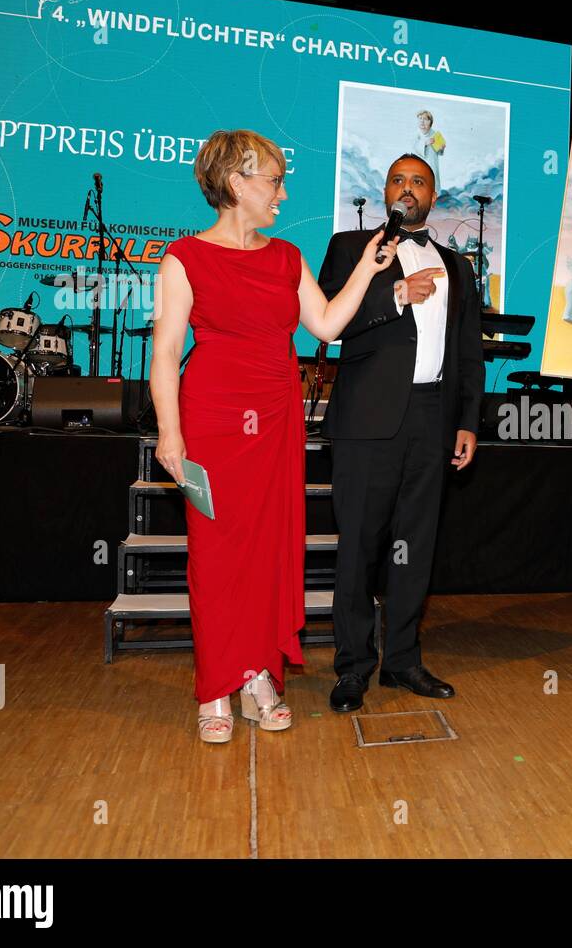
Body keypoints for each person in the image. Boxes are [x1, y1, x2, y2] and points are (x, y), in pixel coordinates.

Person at [151, 129, 397, 743]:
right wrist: (169, 438)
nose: (283, 192)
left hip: (277, 419)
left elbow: (328, 326)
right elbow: (164, 357)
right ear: (237, 183)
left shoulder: (287, 257)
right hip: (213, 419)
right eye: (274, 180)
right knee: (215, 556)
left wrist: (366, 269)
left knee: (268, 551)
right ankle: (216, 686)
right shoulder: (184, 258)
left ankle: (259, 672)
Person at [317, 153, 484, 713]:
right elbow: (330, 327)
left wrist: (466, 421)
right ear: (384, 189)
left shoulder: (459, 267)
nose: (407, 188)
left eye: (419, 181)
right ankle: (352, 667)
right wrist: (395, 295)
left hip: (433, 417)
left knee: (416, 546)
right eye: (398, 179)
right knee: (359, 547)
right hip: (367, 419)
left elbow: (467, 352)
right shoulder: (349, 248)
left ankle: (404, 661)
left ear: (433, 197)